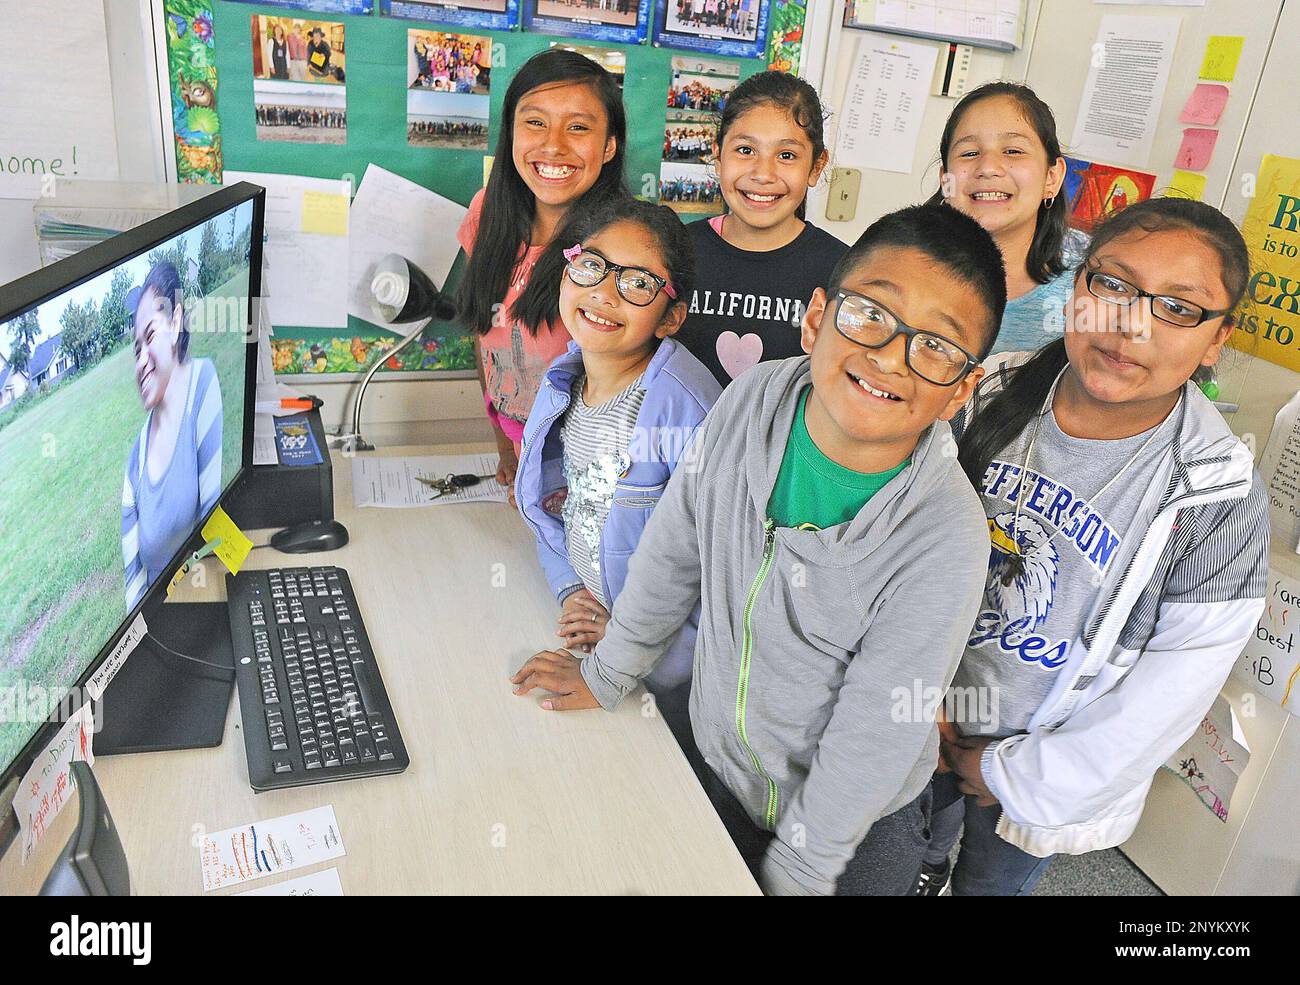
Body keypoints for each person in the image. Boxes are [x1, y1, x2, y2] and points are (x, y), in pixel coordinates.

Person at [511, 203, 1007, 895]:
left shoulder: (944, 533)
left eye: (936, 346)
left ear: (961, 388)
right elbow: (673, 549)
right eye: (870, 314)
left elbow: (875, 730)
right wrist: (607, 673)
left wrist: (797, 874)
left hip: (851, 836)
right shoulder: (750, 400)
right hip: (724, 772)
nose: (891, 355)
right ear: (815, 319)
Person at [920, 197, 1268, 896]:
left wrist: (1005, 772)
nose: (1129, 324)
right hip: (918, 716)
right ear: (1078, 289)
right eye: (1112, 284)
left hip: (1040, 766)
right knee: (902, 861)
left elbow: (1169, 694)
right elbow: (894, 545)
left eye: (1178, 307)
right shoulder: (985, 391)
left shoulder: (1219, 493)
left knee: (991, 884)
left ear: (1216, 339)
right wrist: (909, 696)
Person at [515, 198, 720, 746]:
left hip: (662, 675)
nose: (605, 292)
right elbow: (555, 503)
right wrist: (568, 587)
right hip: (599, 633)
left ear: (670, 315)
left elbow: (718, 569)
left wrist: (633, 652)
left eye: (638, 283)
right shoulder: (566, 380)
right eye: (592, 266)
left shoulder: (682, 408)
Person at [456, 49, 627, 508]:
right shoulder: (486, 214)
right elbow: (486, 334)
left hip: (588, 482)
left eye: (578, 127)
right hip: (521, 457)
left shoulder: (622, 247)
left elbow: (631, 386)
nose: (553, 145)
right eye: (535, 122)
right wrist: (504, 442)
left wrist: (565, 489)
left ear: (609, 144)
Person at [676, 71, 845, 387]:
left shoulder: (842, 269)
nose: (763, 173)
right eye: (745, 150)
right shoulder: (677, 251)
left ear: (816, 166)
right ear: (718, 156)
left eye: (786, 155)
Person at [932, 82, 1080, 355]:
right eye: (969, 153)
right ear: (946, 180)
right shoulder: (900, 260)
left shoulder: (1095, 279)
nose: (988, 168)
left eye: (1013, 151)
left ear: (1052, 177)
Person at [121, 261, 224, 610]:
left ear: (176, 321)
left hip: (201, 602)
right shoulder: (135, 461)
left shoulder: (202, 383)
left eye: (150, 336)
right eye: (137, 349)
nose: (141, 361)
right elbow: (133, 581)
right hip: (158, 622)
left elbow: (216, 529)